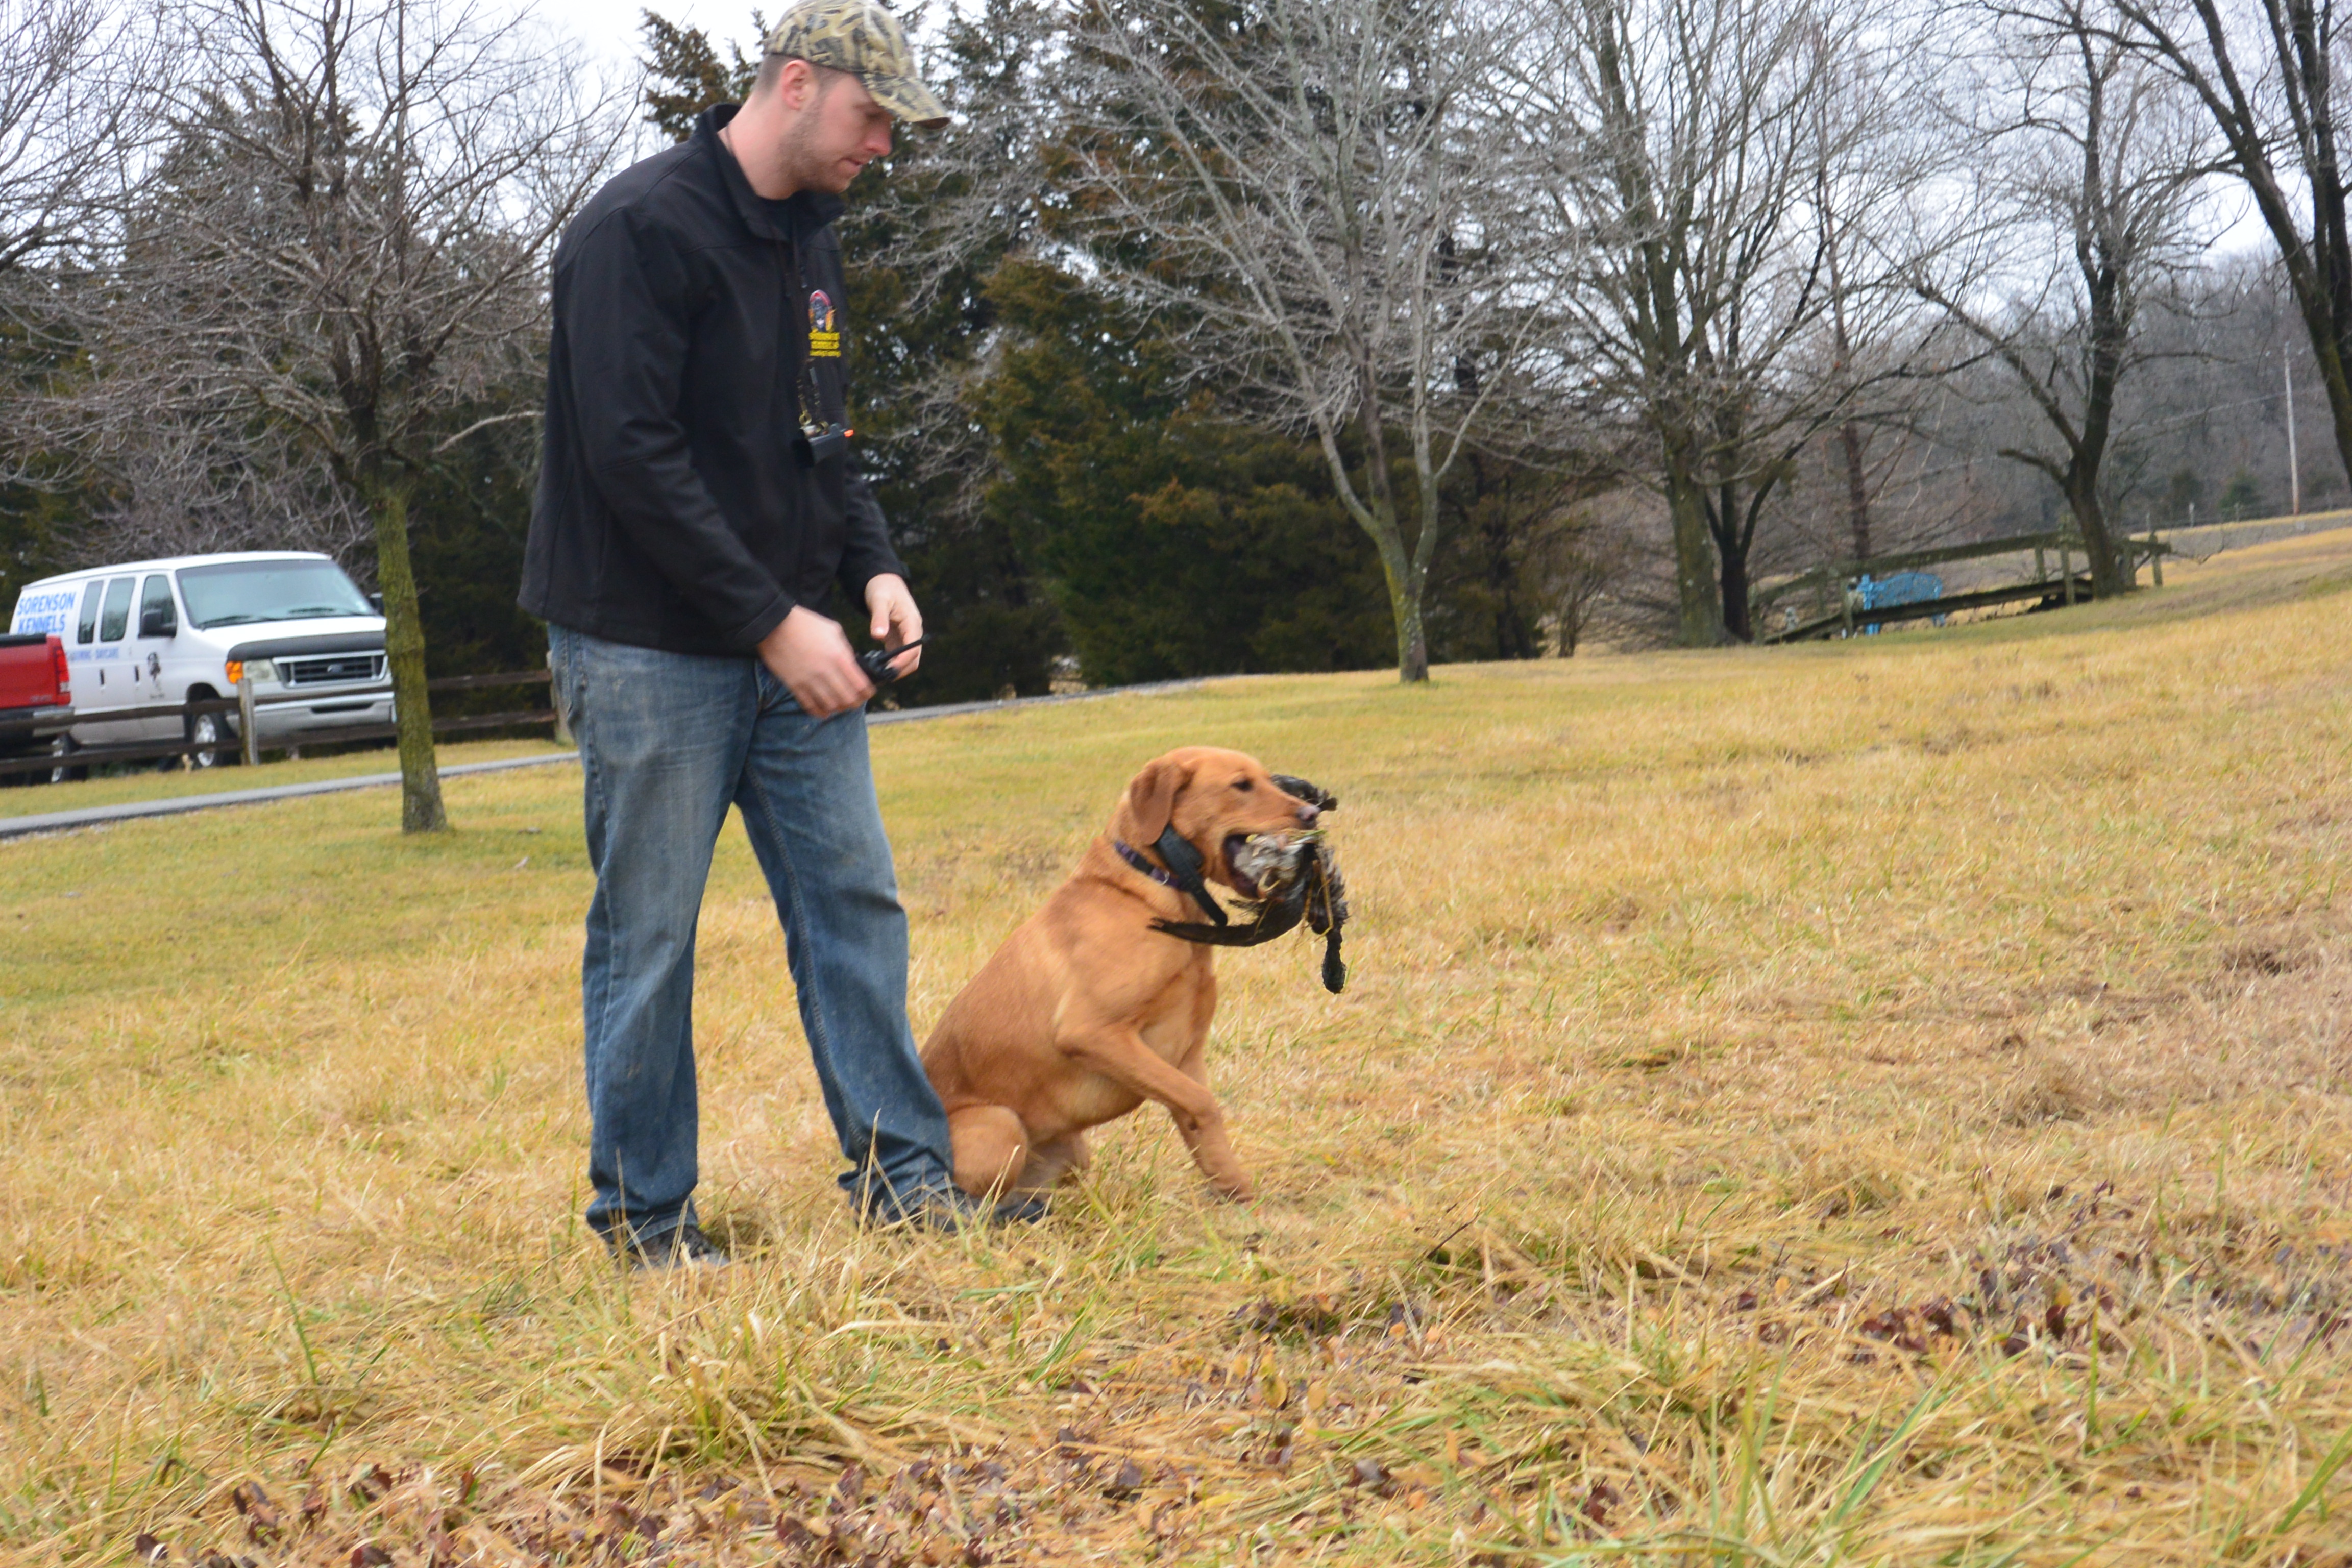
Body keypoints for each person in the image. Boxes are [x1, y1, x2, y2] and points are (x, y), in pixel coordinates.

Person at [520, 0, 1001, 1266]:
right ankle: (645, 1222)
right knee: (652, 934)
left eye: (897, 128)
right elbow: (631, 455)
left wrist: (876, 569)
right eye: (873, 118)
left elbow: (820, 438)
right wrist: (772, 621)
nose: (885, 146)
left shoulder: (812, 244)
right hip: (646, 650)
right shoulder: (637, 230)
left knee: (854, 901)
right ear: (796, 84)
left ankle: (909, 1182)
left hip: (793, 649)